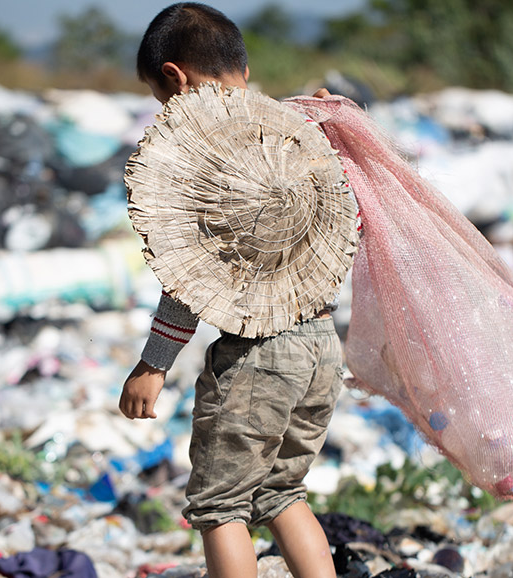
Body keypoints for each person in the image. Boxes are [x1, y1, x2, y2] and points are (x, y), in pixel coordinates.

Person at [118, 4, 344, 578]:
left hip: (260, 356)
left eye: (162, 101)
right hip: (321, 345)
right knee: (282, 493)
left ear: (176, 77)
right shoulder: (290, 139)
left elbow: (193, 275)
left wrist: (154, 363)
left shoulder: (215, 159)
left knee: (221, 506)